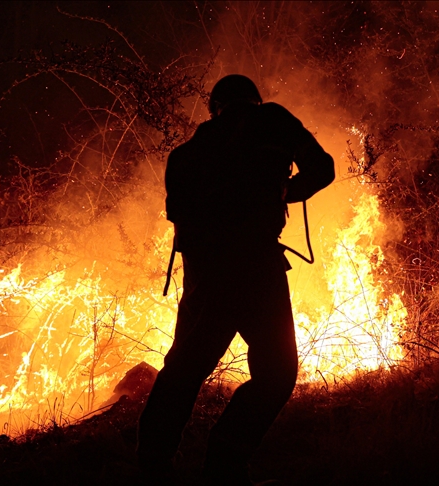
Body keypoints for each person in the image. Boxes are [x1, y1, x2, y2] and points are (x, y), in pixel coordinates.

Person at [137, 74, 334, 484]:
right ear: (255, 101)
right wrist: (281, 191)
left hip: (206, 273)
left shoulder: (185, 155)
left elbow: (180, 216)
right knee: (277, 374)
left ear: (214, 110)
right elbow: (323, 169)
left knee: (184, 370)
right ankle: (225, 463)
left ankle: (152, 466)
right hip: (256, 266)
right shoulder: (273, 120)